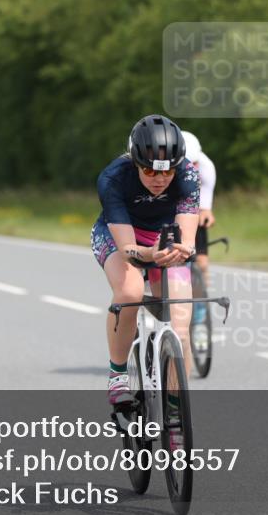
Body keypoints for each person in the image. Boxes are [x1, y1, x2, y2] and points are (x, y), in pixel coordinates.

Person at [91, 115, 199, 407]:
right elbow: (127, 249)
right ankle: (117, 375)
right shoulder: (113, 178)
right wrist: (150, 255)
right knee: (130, 293)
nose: (160, 179)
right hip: (120, 237)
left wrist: (182, 250)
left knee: (180, 323)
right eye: (150, 172)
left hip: (164, 236)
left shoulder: (188, 175)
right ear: (135, 163)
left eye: (167, 172)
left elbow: (187, 237)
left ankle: (176, 406)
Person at [181, 132, 217, 347]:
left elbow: (205, 205)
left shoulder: (206, 168)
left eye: (194, 162)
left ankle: (200, 324)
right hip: (170, 212)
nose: (192, 167)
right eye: (188, 164)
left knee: (201, 265)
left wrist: (206, 213)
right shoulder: (168, 169)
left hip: (192, 212)